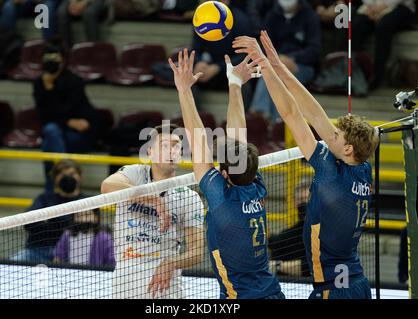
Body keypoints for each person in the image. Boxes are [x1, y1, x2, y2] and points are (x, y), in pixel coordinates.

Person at [233, 30, 379, 299]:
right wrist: (276, 65)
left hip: (334, 290)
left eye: (335, 135)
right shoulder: (361, 167)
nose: (329, 133)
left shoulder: (330, 173)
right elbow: (314, 113)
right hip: (355, 283)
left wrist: (264, 65)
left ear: (347, 148)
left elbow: (291, 114)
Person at [168, 49, 284, 299]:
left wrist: (184, 90)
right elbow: (237, 137)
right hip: (272, 292)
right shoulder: (256, 185)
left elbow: (197, 139)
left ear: (224, 175)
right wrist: (234, 84)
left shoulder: (222, 199)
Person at [101, 124, 205, 299]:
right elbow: (107, 187)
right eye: (164, 145)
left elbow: (197, 252)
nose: (171, 150)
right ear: (150, 152)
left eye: (176, 146)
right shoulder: (136, 174)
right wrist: (153, 200)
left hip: (166, 287)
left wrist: (172, 262)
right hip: (126, 285)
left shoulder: (189, 197)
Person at [33, 41, 98, 190]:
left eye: (55, 59)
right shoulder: (39, 83)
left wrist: (50, 90)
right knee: (51, 132)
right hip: (58, 132)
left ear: (63, 61)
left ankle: (53, 191)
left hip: (77, 135)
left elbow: (64, 111)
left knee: (49, 140)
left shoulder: (74, 81)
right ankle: (66, 181)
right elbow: (43, 116)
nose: (52, 63)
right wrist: (48, 88)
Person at [249, 0, 321, 123]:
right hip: (275, 62)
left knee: (280, 75)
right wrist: (277, 59)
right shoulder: (272, 15)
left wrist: (292, 58)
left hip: (301, 65)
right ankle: (266, 117)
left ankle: (272, 118)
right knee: (270, 72)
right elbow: (263, 43)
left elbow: (314, 50)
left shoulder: (310, 17)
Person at [11, 159, 89, 263]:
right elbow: (29, 224)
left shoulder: (88, 201)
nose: (67, 178)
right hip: (37, 251)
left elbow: (89, 228)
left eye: (72, 174)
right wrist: (65, 222)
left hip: (73, 253)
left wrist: (49, 221)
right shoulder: (44, 198)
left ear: (80, 176)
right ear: (55, 178)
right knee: (11, 265)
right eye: (62, 174)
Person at [191, 0, 254, 109]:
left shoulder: (240, 20)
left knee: (244, 83)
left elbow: (245, 55)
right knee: (190, 80)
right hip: (210, 68)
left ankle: (242, 122)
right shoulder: (203, 16)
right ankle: (194, 121)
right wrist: (199, 61)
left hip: (233, 70)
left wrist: (218, 67)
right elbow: (196, 48)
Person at [351, 0, 416, 88]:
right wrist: (371, 6)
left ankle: (377, 77)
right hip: (372, 7)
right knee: (357, 24)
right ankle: (357, 74)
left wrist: (383, 6)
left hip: (400, 7)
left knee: (383, 26)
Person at [269, 181, 310, 278]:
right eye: (301, 199)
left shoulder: (326, 232)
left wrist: (278, 266)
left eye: (307, 199)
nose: (304, 203)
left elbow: (315, 266)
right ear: (295, 202)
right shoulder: (286, 237)